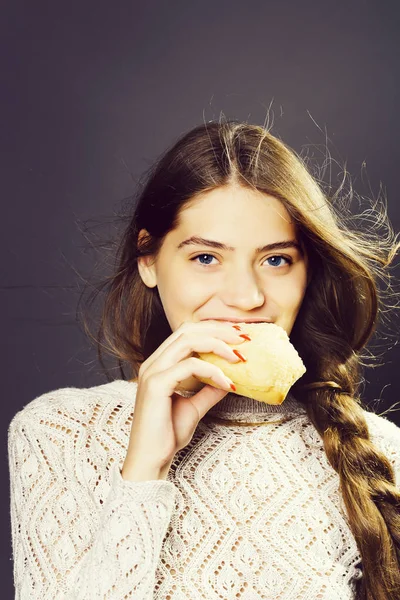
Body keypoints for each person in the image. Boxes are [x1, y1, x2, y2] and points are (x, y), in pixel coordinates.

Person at [8, 119, 400, 600]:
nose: (246, 297)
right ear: (148, 260)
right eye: (206, 258)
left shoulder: (384, 451)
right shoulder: (58, 434)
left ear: (307, 270)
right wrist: (143, 472)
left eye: (276, 259)